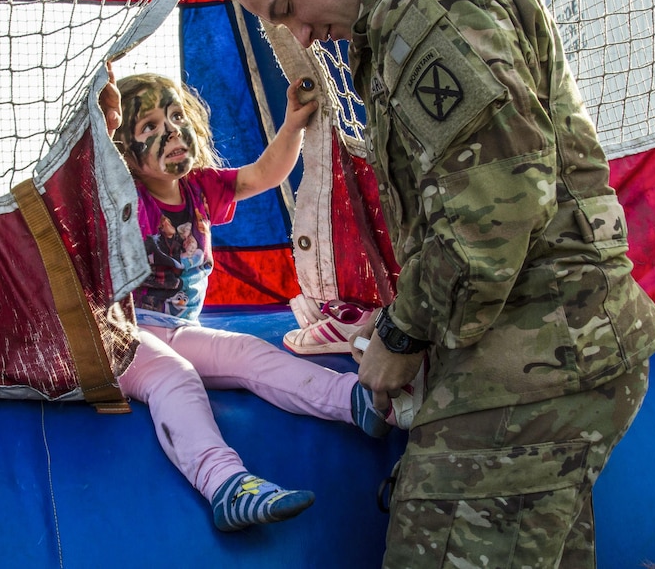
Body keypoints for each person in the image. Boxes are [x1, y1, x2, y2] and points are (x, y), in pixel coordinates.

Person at [226, 0, 655, 567]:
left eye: (288, 8)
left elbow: (498, 203)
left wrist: (403, 333)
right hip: (547, 352)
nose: (304, 35)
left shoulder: (425, 11)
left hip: (534, 361)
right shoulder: (418, 2)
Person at [102, 71, 422, 532]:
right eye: (149, 127)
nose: (171, 132)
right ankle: (226, 485)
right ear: (124, 154)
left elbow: (265, 174)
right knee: (175, 376)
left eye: (176, 116)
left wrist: (292, 125)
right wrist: (103, 114)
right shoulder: (125, 198)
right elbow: (87, 183)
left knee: (249, 352)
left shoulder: (199, 188)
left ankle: (359, 403)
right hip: (125, 333)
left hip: (178, 328)